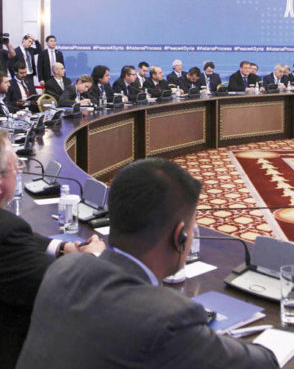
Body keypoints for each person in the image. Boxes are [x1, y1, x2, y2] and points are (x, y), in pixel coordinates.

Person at [16, 158, 278, 369]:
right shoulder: (169, 318)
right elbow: (263, 363)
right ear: (180, 236)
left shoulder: (63, 269)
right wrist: (204, 340)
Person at [0, 129, 105, 369]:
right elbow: (65, 288)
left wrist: (61, 247)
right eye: (17, 167)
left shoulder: (8, 230)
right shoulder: (7, 234)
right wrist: (93, 256)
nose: (20, 171)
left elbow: (18, 237)